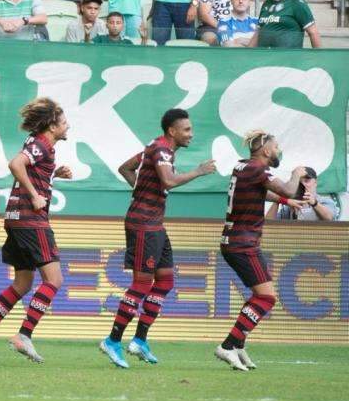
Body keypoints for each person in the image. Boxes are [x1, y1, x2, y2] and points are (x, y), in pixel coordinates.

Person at [100, 109, 216, 368]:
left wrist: (142, 190)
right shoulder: (162, 150)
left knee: (165, 280)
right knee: (142, 283)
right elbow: (168, 181)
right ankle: (112, 340)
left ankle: (139, 340)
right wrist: (197, 171)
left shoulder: (156, 147)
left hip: (154, 223)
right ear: (172, 131)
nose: (191, 134)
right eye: (186, 129)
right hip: (143, 224)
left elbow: (125, 168)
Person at [0, 97, 72, 364]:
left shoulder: (40, 144)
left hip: (16, 219)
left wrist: (52, 174)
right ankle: (24, 335)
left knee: (23, 283)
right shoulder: (41, 144)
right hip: (31, 221)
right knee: (54, 280)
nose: (68, 126)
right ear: (52, 126)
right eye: (63, 123)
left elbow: (29, 167)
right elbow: (16, 164)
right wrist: (36, 195)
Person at [216, 130, 307, 371]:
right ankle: (228, 346)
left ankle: (238, 344)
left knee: (259, 296)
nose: (278, 151)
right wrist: (296, 175)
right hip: (243, 244)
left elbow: (260, 191)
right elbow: (287, 188)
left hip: (235, 242)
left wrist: (286, 203)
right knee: (266, 298)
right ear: (266, 150)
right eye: (276, 147)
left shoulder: (243, 167)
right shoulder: (259, 169)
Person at [267, 167, 339, 221]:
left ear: (315, 182)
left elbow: (329, 218)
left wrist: (314, 203)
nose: (303, 185)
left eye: (306, 181)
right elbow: (268, 223)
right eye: (299, 182)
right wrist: (279, 199)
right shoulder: (290, 206)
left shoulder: (325, 201)